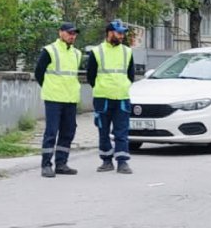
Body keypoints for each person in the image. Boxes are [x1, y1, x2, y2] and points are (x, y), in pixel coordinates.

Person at [33, 22, 84, 178]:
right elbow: (38, 73)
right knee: (51, 132)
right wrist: (49, 87)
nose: (72, 36)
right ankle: (46, 165)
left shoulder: (77, 53)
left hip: (70, 98)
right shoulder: (49, 51)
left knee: (68, 131)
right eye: (69, 33)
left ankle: (61, 164)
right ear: (60, 33)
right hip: (54, 98)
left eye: (74, 34)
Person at [87, 19, 136, 174]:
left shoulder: (127, 51)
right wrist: (102, 86)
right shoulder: (97, 51)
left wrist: (123, 85)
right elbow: (90, 76)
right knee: (103, 131)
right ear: (109, 33)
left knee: (121, 131)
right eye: (119, 32)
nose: (121, 36)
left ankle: (122, 162)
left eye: (122, 33)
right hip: (103, 97)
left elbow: (131, 75)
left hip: (121, 97)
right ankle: (106, 160)